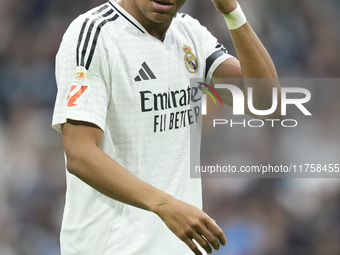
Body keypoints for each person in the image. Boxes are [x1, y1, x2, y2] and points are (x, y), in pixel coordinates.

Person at [52, 0, 280, 254]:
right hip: (113, 247)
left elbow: (268, 105)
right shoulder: (94, 33)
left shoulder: (190, 34)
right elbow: (79, 153)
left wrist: (232, 12)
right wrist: (164, 205)